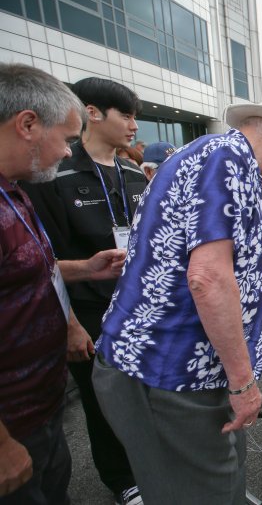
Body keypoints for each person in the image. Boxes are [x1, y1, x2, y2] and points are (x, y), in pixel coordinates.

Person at [91, 100, 262, 502]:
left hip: (187, 371)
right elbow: (207, 278)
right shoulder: (227, 158)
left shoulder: (220, 158)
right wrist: (242, 382)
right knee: (199, 493)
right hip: (168, 370)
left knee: (220, 486)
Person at [0, 63, 127, 504]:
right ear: (28, 124)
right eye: (68, 140)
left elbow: (33, 266)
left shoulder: (15, 190)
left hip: (42, 406)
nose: (66, 153)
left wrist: (85, 268)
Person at [21, 76, 148, 504]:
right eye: (126, 115)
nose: (134, 125)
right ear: (92, 113)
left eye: (136, 116)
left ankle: (149, 467)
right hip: (88, 310)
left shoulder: (133, 172)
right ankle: (122, 480)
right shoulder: (54, 172)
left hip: (138, 305)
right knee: (102, 400)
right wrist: (72, 323)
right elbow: (43, 260)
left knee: (145, 394)